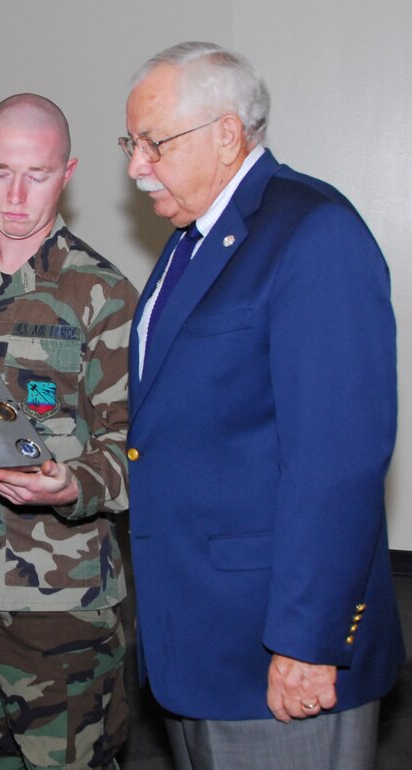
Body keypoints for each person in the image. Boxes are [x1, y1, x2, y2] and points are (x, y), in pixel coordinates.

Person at [121, 42, 404, 769]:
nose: (135, 166)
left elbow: (337, 463)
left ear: (226, 133)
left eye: (153, 144)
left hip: (275, 649)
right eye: (131, 144)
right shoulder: (193, 240)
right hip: (200, 639)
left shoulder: (313, 233)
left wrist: (308, 645)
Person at [0, 94, 137, 769]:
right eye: (0, 171)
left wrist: (74, 484)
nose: (14, 194)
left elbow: (135, 448)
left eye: (36, 175)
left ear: (67, 173)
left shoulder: (103, 294)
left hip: (59, 598)